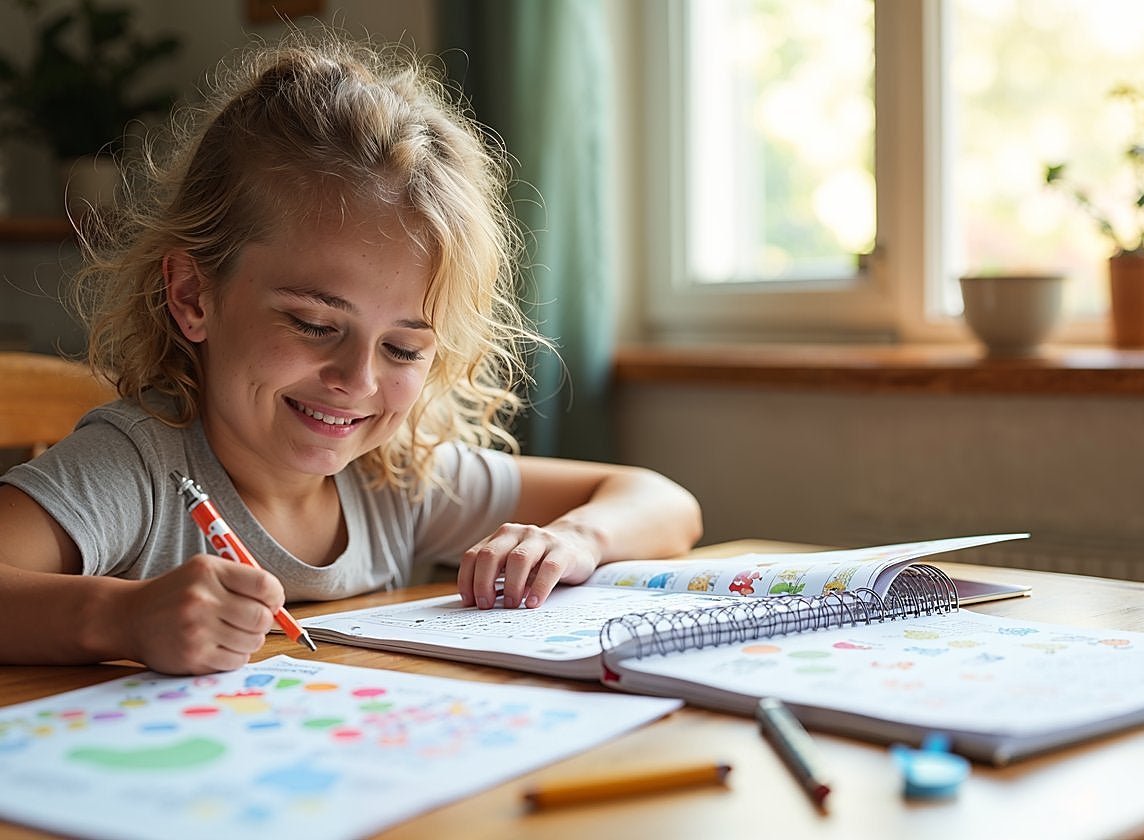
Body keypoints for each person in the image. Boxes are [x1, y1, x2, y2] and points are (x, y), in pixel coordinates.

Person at [0, 32, 702, 676]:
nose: (357, 380)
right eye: (313, 324)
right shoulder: (138, 468)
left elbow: (664, 501)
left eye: (403, 347)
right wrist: (121, 618)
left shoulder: (392, 477)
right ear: (192, 295)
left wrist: (575, 539)